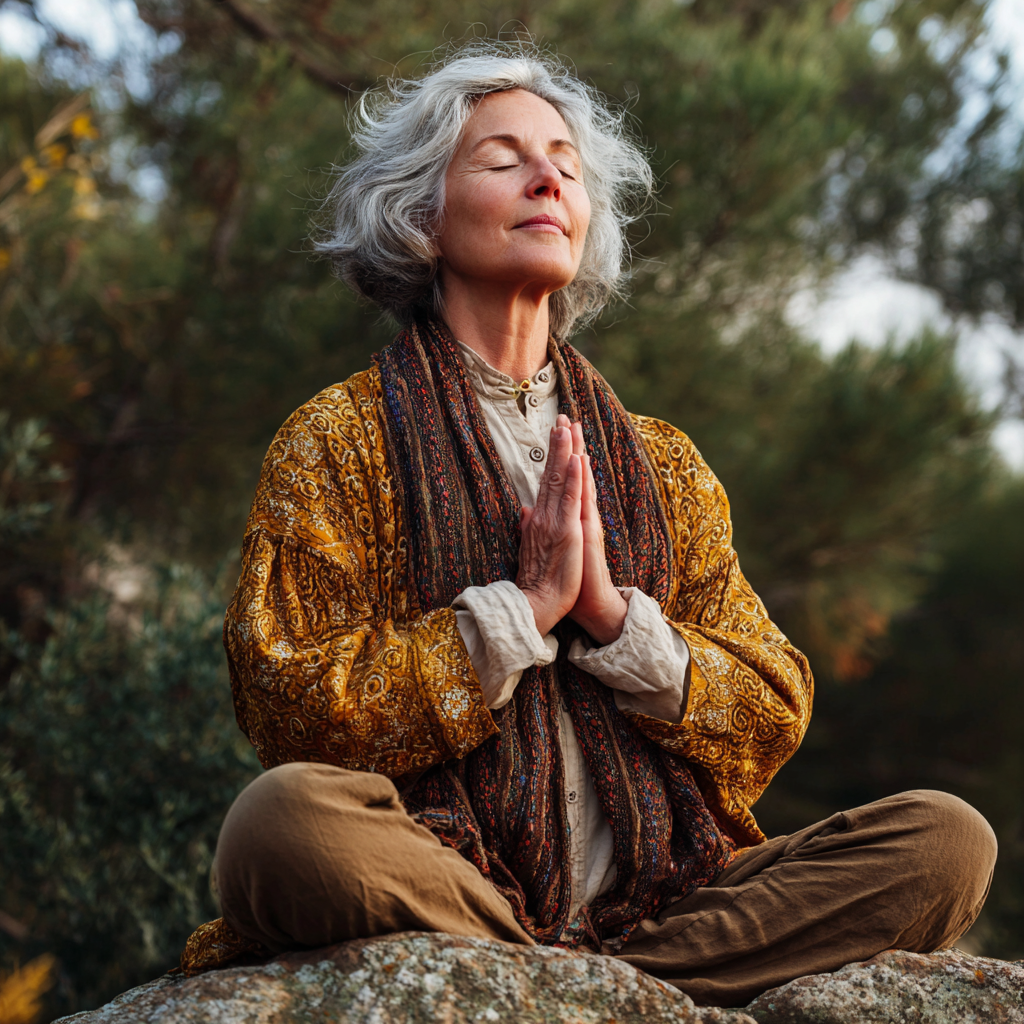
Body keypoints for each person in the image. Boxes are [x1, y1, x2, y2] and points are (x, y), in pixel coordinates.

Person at [179, 43, 997, 1007]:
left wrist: (614, 620)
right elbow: (289, 703)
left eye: (566, 162)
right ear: (420, 215)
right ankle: (565, 974)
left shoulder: (663, 460)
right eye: (502, 159)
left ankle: (594, 987)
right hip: (449, 871)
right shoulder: (338, 439)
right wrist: (513, 619)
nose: (547, 178)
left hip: (673, 899)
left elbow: (771, 708)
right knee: (279, 825)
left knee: (948, 840)